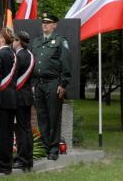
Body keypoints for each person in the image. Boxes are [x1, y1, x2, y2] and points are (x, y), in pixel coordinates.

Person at [31, 13, 72, 160]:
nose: (45, 25)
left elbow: (66, 63)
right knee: (42, 117)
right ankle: (46, 146)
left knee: (53, 116)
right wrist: (32, 84)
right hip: (38, 83)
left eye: (48, 23)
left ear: (55, 25)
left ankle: (54, 149)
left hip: (53, 83)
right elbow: (32, 64)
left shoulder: (61, 41)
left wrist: (63, 83)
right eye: (43, 22)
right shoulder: (36, 42)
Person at [0, 27, 17, 175]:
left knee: (2, 133)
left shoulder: (0, 54)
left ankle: (3, 164)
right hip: (12, 97)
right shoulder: (13, 54)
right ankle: (7, 163)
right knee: (8, 133)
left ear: (2, 39)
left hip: (2, 98)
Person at [12, 31, 34, 171]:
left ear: (19, 41)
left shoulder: (18, 57)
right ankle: (28, 158)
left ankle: (22, 159)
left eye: (14, 40)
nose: (12, 42)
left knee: (21, 130)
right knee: (26, 129)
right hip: (26, 96)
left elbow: (13, 76)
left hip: (19, 96)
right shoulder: (30, 55)